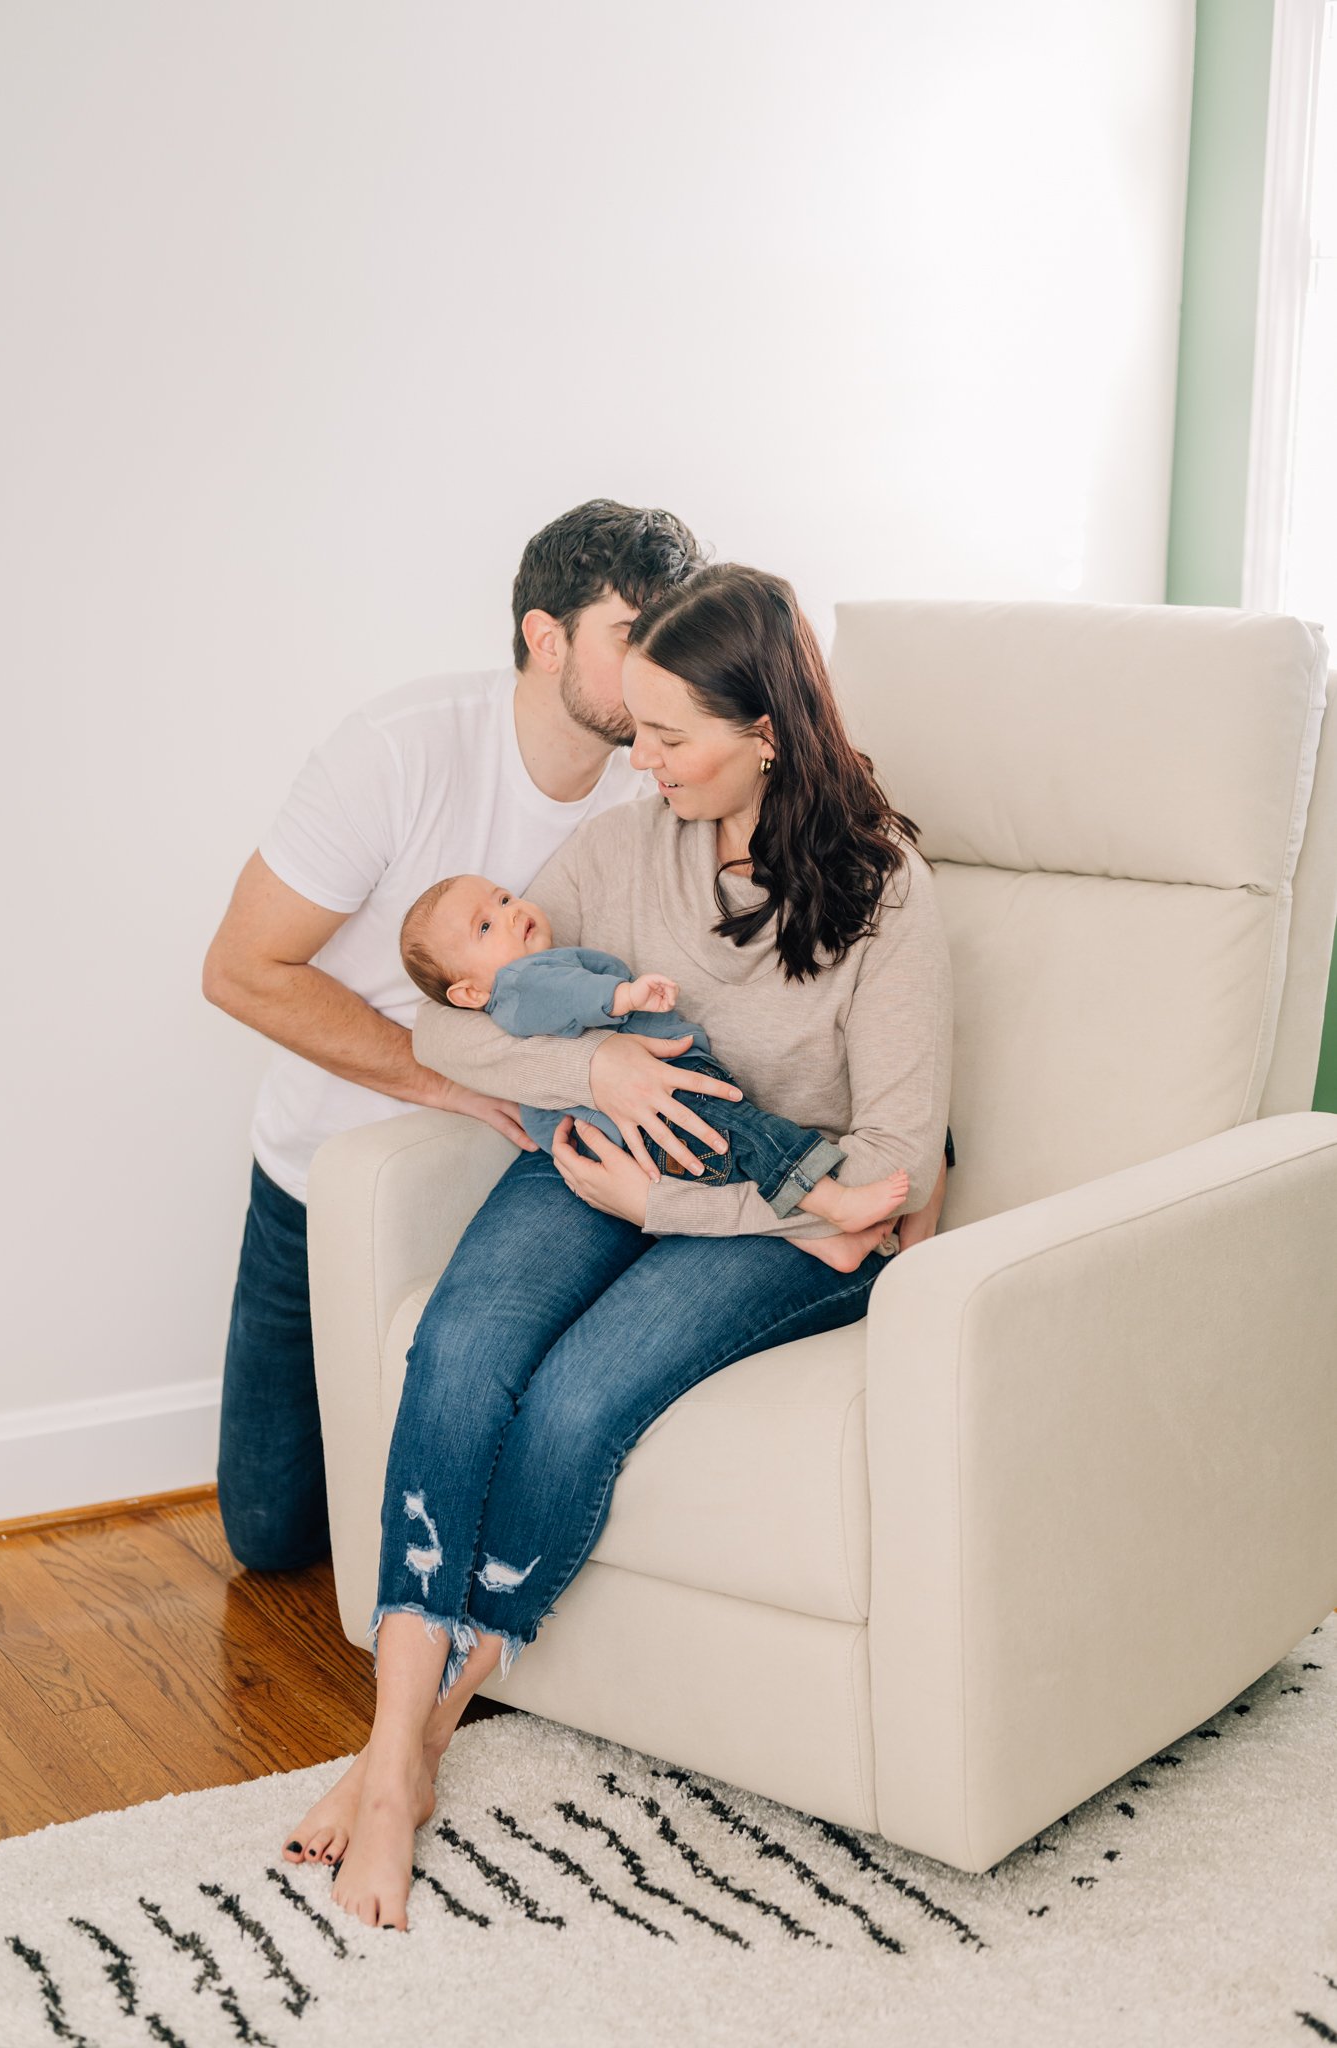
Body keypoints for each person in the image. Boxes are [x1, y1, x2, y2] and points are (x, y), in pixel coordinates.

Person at [282, 561, 956, 1930]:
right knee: (461, 1345)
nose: (635, 763)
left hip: (761, 1211)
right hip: (604, 1155)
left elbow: (886, 1171)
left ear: (763, 731)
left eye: (667, 738)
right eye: (632, 728)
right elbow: (458, 1021)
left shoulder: (884, 898)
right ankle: (391, 1747)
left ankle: (423, 1739)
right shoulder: (617, 846)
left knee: (581, 1395)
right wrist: (598, 1077)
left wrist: (674, 1210)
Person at [201, 500, 706, 1572]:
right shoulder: (398, 751)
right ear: (545, 635)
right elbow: (240, 968)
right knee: (271, 1534)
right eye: (635, 635)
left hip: (541, 1175)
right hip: (328, 1171)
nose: (665, 665)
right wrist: (443, 1084)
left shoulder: (663, 768)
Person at [398, 872, 914, 1236]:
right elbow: (570, 997)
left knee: (736, 1163)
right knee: (756, 1138)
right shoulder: (520, 984)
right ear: (467, 994)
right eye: (484, 927)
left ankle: (816, 1240)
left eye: (504, 899)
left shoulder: (516, 987)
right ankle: (835, 1206)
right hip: (667, 1094)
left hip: (633, 1130)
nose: (509, 915)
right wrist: (624, 998)